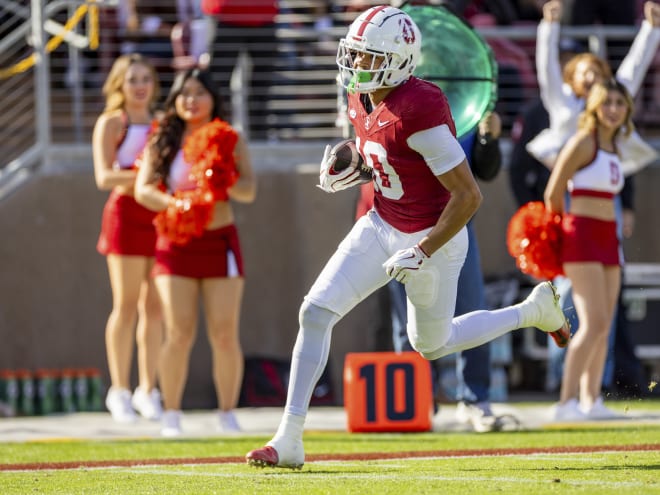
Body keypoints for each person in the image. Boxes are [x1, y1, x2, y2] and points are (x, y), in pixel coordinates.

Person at [245, 5, 569, 469]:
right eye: (354, 56)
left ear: (397, 61)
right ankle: (288, 438)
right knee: (315, 311)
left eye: (367, 58)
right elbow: (387, 160)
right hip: (381, 223)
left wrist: (422, 249)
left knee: (431, 345)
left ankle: (532, 311)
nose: (356, 67)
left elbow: (468, 195)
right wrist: (355, 169)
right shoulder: (360, 97)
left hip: (435, 236)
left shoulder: (421, 107)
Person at [134, 68, 256, 436]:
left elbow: (249, 190)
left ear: (213, 98)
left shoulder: (230, 138)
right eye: (184, 92)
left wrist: (225, 179)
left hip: (219, 242)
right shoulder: (163, 138)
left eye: (199, 92)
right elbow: (143, 189)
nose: (191, 99)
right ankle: (171, 413)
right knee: (179, 331)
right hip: (176, 243)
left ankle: (227, 412)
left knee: (223, 332)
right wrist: (175, 204)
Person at [386, 112, 506, 432]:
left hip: (455, 227)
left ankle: (475, 399)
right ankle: (415, 404)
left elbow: (485, 172)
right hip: (406, 226)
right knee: (408, 322)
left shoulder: (466, 108)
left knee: (471, 307)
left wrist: (488, 138)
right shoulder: (400, 104)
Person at [544, 78, 635, 421]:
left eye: (620, 103)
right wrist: (559, 235)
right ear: (595, 106)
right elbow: (553, 193)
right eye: (607, 102)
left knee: (605, 323)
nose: (613, 109)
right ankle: (565, 402)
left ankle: (591, 400)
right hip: (581, 234)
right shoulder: (584, 141)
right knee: (593, 323)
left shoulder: (616, 147)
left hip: (608, 237)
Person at [93, 53, 164, 423]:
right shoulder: (110, 122)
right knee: (125, 303)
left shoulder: (163, 123)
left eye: (145, 78)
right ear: (119, 83)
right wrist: (141, 176)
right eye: (132, 78)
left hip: (158, 216)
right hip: (124, 216)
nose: (139, 86)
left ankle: (148, 389)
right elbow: (104, 177)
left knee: (154, 309)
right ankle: (119, 389)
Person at [527, 0, 660, 177]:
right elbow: (547, 67)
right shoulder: (561, 100)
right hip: (567, 187)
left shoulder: (610, 100)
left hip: (604, 187)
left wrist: (651, 29)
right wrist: (549, 26)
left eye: (596, 73)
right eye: (585, 73)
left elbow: (634, 68)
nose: (591, 78)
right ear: (572, 79)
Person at [200, 0, 279, 140]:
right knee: (218, 84)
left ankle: (259, 137)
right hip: (224, 14)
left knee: (261, 84)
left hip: (262, 15)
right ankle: (219, 136)